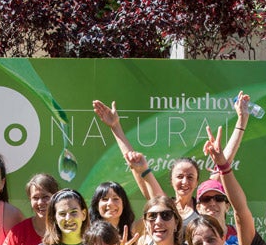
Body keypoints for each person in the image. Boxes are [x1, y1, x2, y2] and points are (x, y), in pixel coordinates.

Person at [93, 93, 251, 221]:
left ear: (197, 182)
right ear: (171, 181)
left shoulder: (204, 204)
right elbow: (137, 169)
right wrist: (115, 127)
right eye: (180, 176)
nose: (185, 182)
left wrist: (242, 120)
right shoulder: (165, 207)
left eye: (190, 177)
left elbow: (225, 162)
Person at [2, 173, 60, 245]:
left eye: (45, 197)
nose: (40, 202)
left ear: (56, 198)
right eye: (35, 198)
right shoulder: (17, 233)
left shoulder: (66, 231)